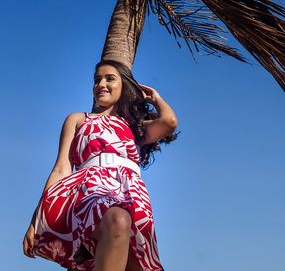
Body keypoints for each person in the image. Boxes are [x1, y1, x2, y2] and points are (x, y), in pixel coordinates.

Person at [22, 60, 178, 271]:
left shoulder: (133, 127)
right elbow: (60, 169)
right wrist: (35, 219)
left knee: (135, 261)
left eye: (109, 79)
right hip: (90, 191)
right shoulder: (78, 120)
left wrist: (156, 98)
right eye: (97, 80)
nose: (101, 84)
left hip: (131, 195)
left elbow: (169, 122)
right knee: (118, 220)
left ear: (124, 86)